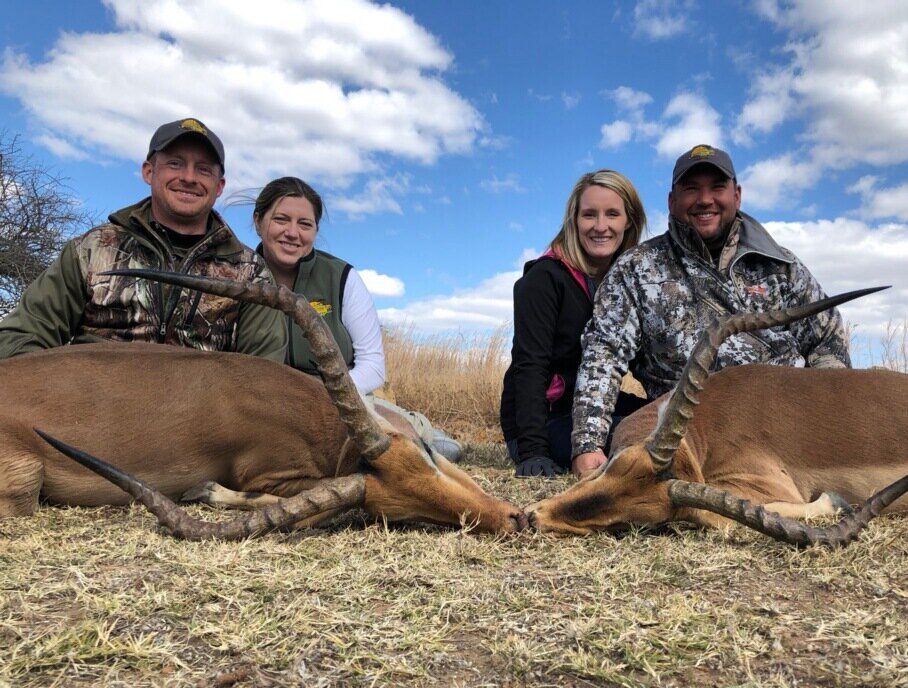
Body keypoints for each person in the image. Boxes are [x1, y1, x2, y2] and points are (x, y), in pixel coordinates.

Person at [571, 144, 851, 476]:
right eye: (691, 189)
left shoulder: (781, 265)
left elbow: (827, 337)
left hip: (784, 429)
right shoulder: (636, 269)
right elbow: (603, 354)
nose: (705, 200)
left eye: (717, 188)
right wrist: (587, 445)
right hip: (692, 437)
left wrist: (825, 415)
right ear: (672, 201)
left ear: (737, 195)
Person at [0, 118, 284, 360]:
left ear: (219, 186)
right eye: (175, 163)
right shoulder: (91, 250)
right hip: (89, 409)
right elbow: (20, 337)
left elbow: (263, 377)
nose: (188, 177)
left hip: (203, 418)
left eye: (204, 169)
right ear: (149, 172)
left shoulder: (251, 273)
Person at [251, 176, 463, 462]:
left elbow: (373, 367)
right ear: (258, 222)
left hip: (337, 397)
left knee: (404, 454)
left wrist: (319, 393)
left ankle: (421, 431)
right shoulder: (237, 275)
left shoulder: (341, 278)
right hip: (262, 403)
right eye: (281, 220)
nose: (292, 233)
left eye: (305, 224)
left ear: (315, 230)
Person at [500, 170, 650, 478]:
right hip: (548, 420)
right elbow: (530, 366)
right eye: (589, 215)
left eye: (612, 214)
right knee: (639, 440)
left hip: (592, 406)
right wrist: (532, 451)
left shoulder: (624, 284)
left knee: (669, 421)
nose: (600, 226)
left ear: (629, 221)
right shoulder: (544, 279)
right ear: (574, 220)